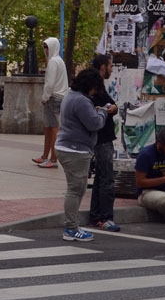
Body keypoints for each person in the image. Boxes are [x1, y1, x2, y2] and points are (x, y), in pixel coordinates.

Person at [55, 68, 117, 242]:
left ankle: (72, 225)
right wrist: (103, 111)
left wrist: (96, 111)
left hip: (68, 148)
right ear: (90, 85)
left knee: (76, 189)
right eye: (95, 87)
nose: (96, 91)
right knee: (75, 190)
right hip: (75, 150)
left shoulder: (71, 95)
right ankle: (71, 228)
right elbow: (94, 123)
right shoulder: (81, 100)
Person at [88, 54, 120, 232]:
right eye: (110, 66)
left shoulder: (98, 86)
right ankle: (105, 217)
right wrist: (111, 108)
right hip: (102, 139)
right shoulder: (96, 87)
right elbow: (106, 106)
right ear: (102, 68)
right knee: (106, 178)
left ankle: (96, 216)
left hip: (102, 138)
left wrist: (112, 107)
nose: (112, 69)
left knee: (101, 178)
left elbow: (110, 104)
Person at [33, 37, 68, 168]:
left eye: (47, 47)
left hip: (53, 97)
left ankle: (52, 159)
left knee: (53, 128)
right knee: (48, 127)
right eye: (44, 47)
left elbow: (50, 83)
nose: (46, 50)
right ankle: (45, 156)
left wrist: (45, 97)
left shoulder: (53, 62)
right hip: (59, 96)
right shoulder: (60, 61)